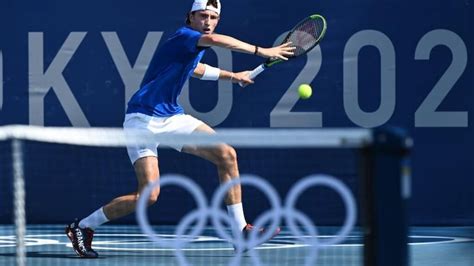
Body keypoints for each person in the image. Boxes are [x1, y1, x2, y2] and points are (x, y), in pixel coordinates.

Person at [65, 0, 295, 258]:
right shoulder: (186, 36)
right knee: (148, 196)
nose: (207, 22)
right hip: (141, 120)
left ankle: (240, 231)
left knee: (226, 154)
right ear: (190, 17)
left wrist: (234, 76)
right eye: (202, 16)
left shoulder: (193, 45)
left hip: (172, 118)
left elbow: (195, 69)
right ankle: (82, 226)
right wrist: (262, 51)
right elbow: (217, 41)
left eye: (212, 17)